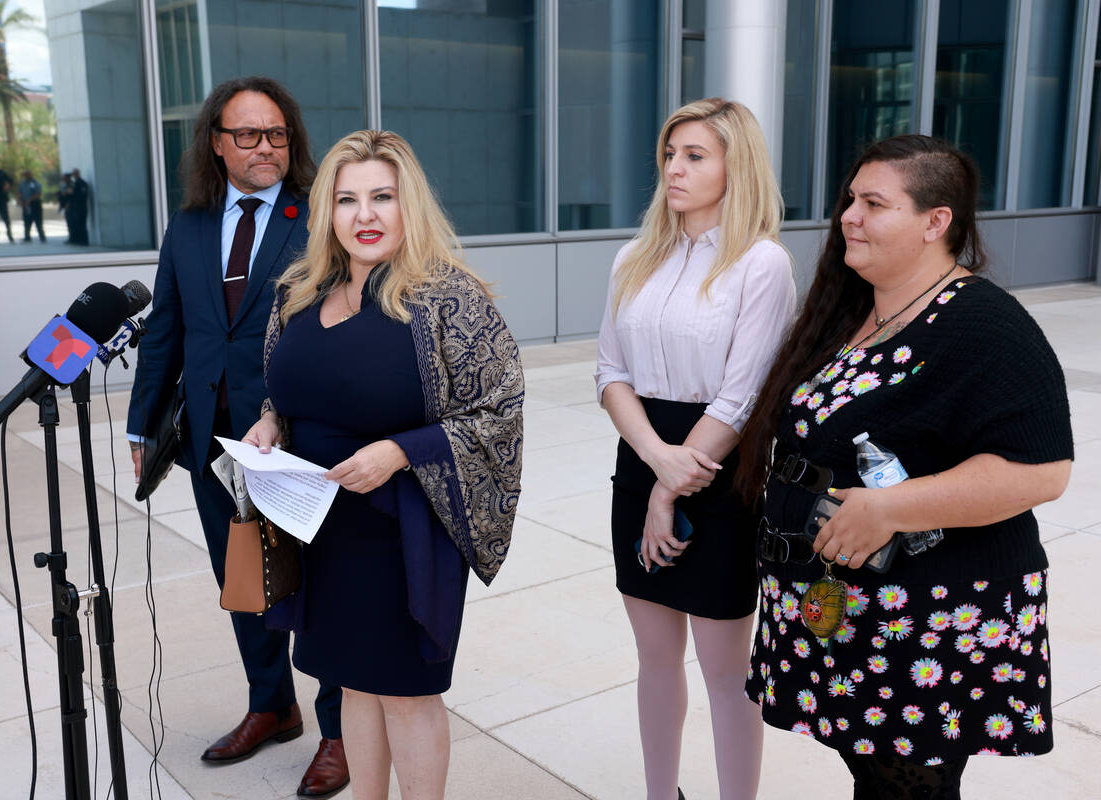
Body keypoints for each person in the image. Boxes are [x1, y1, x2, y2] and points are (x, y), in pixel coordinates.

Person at [736, 135, 1073, 797]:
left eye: (873, 203)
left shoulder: (984, 323)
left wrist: (890, 506)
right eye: (850, 200)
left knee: (907, 787)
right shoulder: (855, 311)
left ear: (934, 221)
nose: (849, 217)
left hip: (927, 618)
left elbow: (1041, 470)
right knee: (875, 777)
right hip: (844, 609)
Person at [241, 129, 524, 800]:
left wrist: (402, 451)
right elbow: (284, 389)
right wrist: (269, 422)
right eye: (346, 199)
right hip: (321, 530)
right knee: (353, 688)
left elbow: (500, 411)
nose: (363, 216)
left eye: (382, 197)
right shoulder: (298, 293)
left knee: (405, 695)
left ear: (409, 205)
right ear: (326, 213)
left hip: (403, 530)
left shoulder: (449, 300)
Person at [127, 76, 348, 796]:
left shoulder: (319, 217)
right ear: (216, 144)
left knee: (316, 584)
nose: (265, 147)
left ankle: (338, 731)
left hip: (299, 436)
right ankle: (271, 704)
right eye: (247, 134)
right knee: (245, 581)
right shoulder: (189, 224)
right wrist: (141, 420)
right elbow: (166, 330)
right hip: (211, 439)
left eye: (277, 134)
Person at [594, 98, 796, 800]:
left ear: (735, 166)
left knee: (724, 669)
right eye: (670, 154)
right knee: (654, 657)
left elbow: (743, 400)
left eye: (694, 155)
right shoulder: (633, 256)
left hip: (722, 471)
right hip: (643, 459)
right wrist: (655, 464)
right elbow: (609, 374)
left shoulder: (762, 264)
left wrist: (670, 489)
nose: (673, 168)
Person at [18, 170, 46, 243]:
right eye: (25, 175)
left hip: (35, 205)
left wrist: (29, 200)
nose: (27, 176)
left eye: (28, 175)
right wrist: (20, 200)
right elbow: (19, 192)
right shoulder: (22, 184)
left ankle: (42, 236)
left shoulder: (36, 183)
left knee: (38, 222)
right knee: (27, 222)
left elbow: (38, 194)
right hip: (26, 205)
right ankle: (27, 237)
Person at [65, 168, 90, 245]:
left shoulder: (82, 183)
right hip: (76, 208)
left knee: (82, 225)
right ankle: (78, 240)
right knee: (76, 225)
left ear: (77, 174)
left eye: (74, 174)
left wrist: (72, 193)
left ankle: (84, 241)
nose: (73, 176)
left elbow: (82, 195)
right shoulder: (74, 183)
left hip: (81, 208)